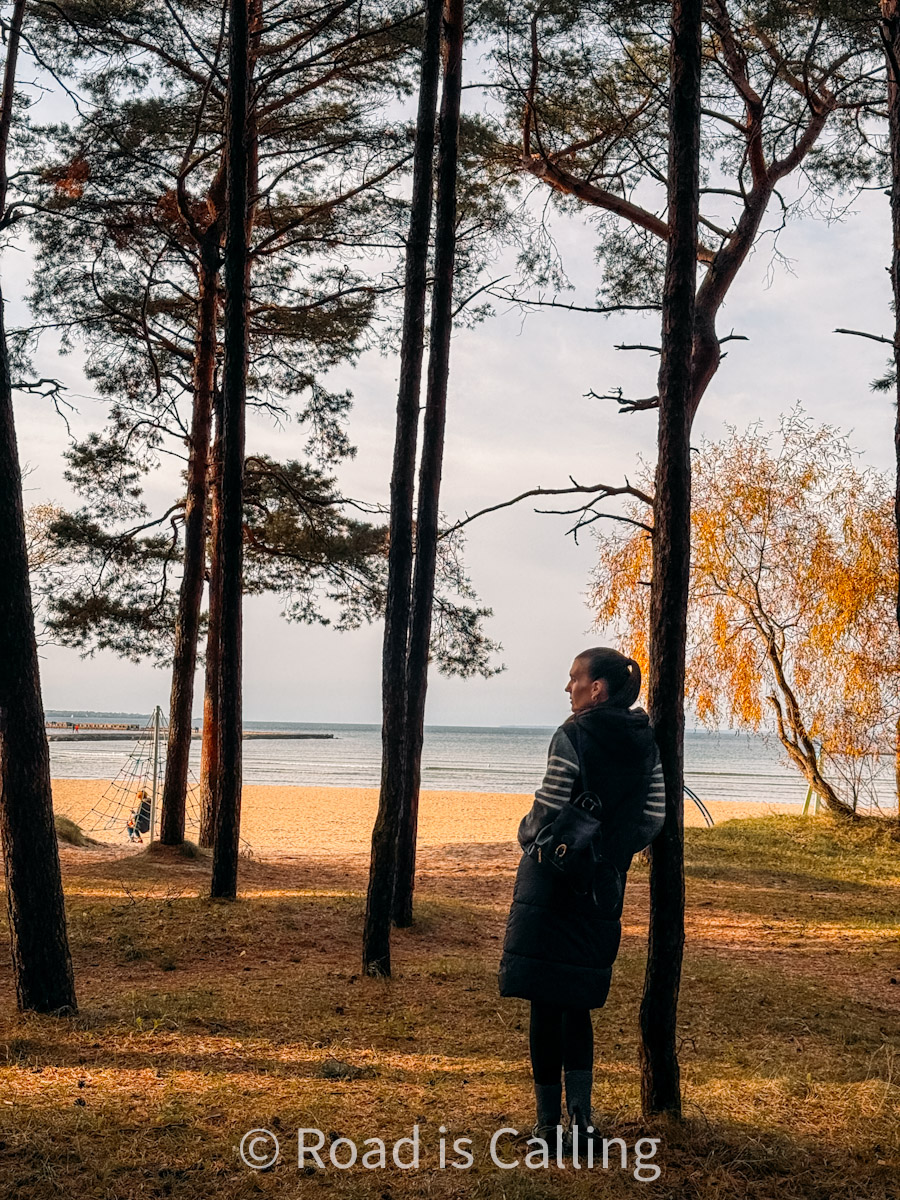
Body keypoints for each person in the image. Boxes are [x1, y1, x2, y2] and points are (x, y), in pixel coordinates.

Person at [498, 646, 665, 1146]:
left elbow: (548, 806)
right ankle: (584, 1124)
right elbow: (653, 815)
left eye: (575, 679)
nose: (568, 688)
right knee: (577, 1004)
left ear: (597, 689)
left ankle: (547, 1127)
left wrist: (527, 837)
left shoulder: (572, 734)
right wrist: (610, 855)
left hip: (553, 884)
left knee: (545, 1005)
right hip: (601, 887)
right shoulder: (645, 742)